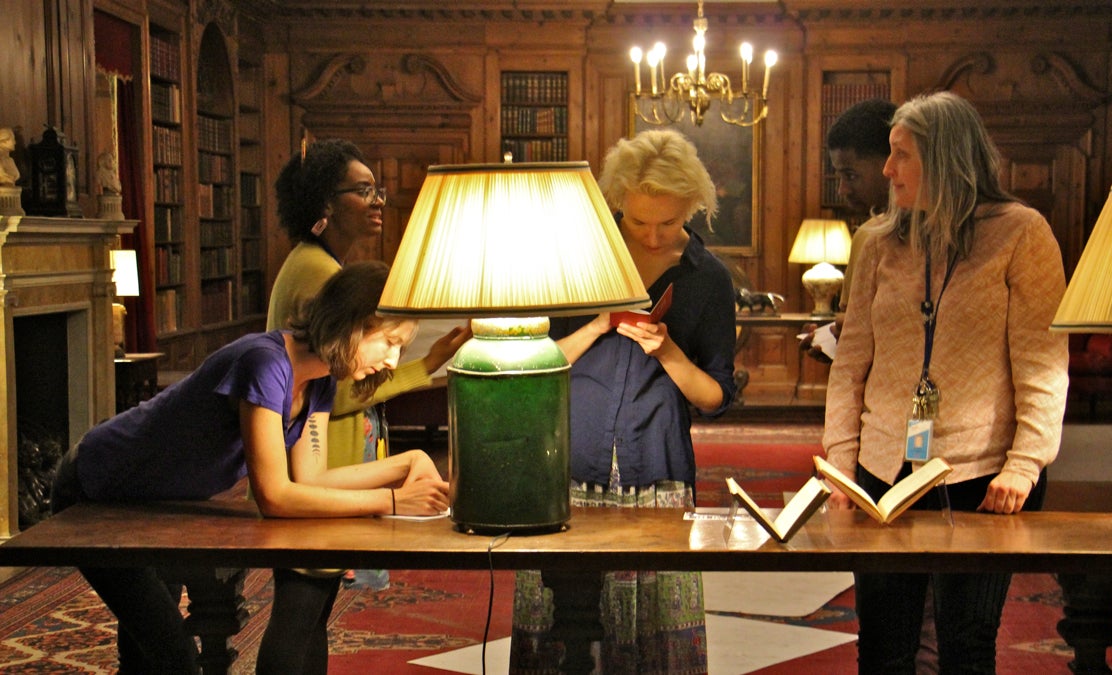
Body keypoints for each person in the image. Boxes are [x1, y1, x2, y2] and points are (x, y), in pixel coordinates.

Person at [50, 261, 450, 674]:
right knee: (174, 659)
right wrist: (393, 500)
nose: (392, 360)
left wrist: (410, 461)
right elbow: (274, 496)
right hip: (95, 485)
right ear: (352, 324)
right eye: (388, 341)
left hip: (155, 504)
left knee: (150, 658)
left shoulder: (321, 379)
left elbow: (312, 479)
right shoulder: (265, 363)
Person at [822, 90, 1069, 673]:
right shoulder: (877, 242)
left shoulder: (1022, 234)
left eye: (901, 155)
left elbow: (1042, 362)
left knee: (966, 643)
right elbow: (850, 362)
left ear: (946, 158)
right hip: (882, 469)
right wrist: (839, 460)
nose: (887, 170)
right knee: (882, 644)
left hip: (982, 475)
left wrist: (1025, 464)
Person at [509, 129, 738, 674]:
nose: (654, 236)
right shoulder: (580, 257)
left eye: (670, 222)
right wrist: (596, 325)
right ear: (618, 203)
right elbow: (532, 364)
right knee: (561, 633)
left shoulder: (708, 278)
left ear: (693, 208)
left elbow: (714, 398)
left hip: (657, 469)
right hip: (568, 461)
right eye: (639, 221)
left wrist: (670, 353)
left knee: (653, 641)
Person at [268, 138, 468, 589]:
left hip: (327, 459)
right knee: (303, 603)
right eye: (363, 191)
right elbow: (336, 389)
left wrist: (433, 360)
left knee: (310, 605)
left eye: (376, 190)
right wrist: (425, 367)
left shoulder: (322, 264)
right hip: (318, 462)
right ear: (325, 203)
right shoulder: (318, 273)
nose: (378, 201)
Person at [800, 98, 896, 363]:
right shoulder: (868, 232)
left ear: (890, 163)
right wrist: (833, 338)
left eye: (851, 175)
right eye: (839, 177)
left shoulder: (869, 235)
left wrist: (837, 337)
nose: (842, 189)